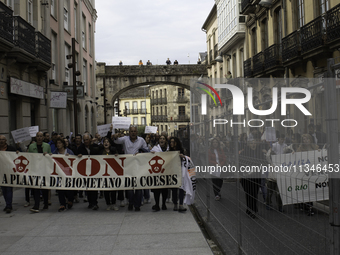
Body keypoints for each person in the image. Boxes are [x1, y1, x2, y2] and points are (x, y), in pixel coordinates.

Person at [113, 126, 149, 211]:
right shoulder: (125, 139)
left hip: (138, 166)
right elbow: (116, 141)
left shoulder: (141, 140)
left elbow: (147, 150)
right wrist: (115, 136)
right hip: (128, 165)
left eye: (134, 131)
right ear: (129, 132)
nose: (133, 133)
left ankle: (137, 205)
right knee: (129, 186)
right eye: (131, 131)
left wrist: (140, 152)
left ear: (137, 132)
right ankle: (131, 202)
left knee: (138, 186)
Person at [239, 135, 266, 219]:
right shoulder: (244, 153)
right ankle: (250, 209)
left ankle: (253, 209)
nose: (253, 144)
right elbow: (240, 165)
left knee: (254, 193)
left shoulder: (260, 153)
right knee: (249, 193)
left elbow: (264, 163)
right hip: (246, 177)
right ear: (248, 144)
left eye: (254, 143)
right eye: (251, 143)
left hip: (256, 176)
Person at [28, 131, 52, 213]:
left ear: (43, 138)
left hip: (44, 169)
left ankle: (45, 203)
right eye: (38, 136)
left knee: (44, 188)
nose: (39, 138)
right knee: (36, 188)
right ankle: (36, 205)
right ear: (36, 137)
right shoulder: (31, 146)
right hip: (35, 170)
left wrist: (48, 154)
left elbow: (51, 157)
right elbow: (28, 157)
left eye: (41, 136)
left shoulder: (47, 146)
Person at [76, 134, 100, 210]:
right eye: (84, 140)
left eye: (87, 139)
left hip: (95, 169)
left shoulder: (95, 146)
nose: (86, 141)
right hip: (86, 170)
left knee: (94, 187)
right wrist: (78, 156)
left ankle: (95, 203)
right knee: (88, 187)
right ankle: (90, 202)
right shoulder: (81, 148)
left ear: (90, 139)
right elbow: (76, 155)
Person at [52, 138, 75, 212]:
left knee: (69, 188)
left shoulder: (69, 151)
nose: (58, 145)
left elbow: (74, 160)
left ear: (63, 144)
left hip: (68, 173)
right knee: (60, 189)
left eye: (60, 143)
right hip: (59, 174)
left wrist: (70, 157)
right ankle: (62, 204)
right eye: (57, 143)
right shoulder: (55, 152)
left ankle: (70, 200)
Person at [98, 137, 119, 211]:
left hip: (112, 172)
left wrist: (117, 156)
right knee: (106, 189)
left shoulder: (113, 151)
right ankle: (108, 204)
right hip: (104, 172)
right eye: (104, 142)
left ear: (110, 144)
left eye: (107, 142)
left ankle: (114, 203)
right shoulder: (100, 151)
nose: (106, 143)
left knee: (113, 188)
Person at [150, 135, 169, 211]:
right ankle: (157, 204)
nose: (162, 140)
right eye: (160, 138)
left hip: (166, 171)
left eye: (163, 139)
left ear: (165, 140)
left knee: (165, 189)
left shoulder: (168, 149)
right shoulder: (155, 148)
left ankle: (164, 204)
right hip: (156, 172)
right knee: (156, 189)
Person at [169, 137, 188, 212]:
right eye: (170, 142)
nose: (171, 143)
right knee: (174, 189)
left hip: (181, 172)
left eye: (173, 142)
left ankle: (181, 204)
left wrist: (183, 157)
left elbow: (187, 159)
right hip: (173, 172)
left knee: (181, 188)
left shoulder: (182, 151)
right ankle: (175, 203)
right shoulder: (169, 152)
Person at [0, 135, 17, 213]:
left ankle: (9, 205)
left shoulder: (11, 149)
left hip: (9, 171)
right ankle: (7, 204)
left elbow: (17, 157)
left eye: (3, 139)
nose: (1, 141)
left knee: (9, 189)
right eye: (0, 139)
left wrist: (18, 151)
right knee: (4, 189)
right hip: (1, 172)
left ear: (6, 140)